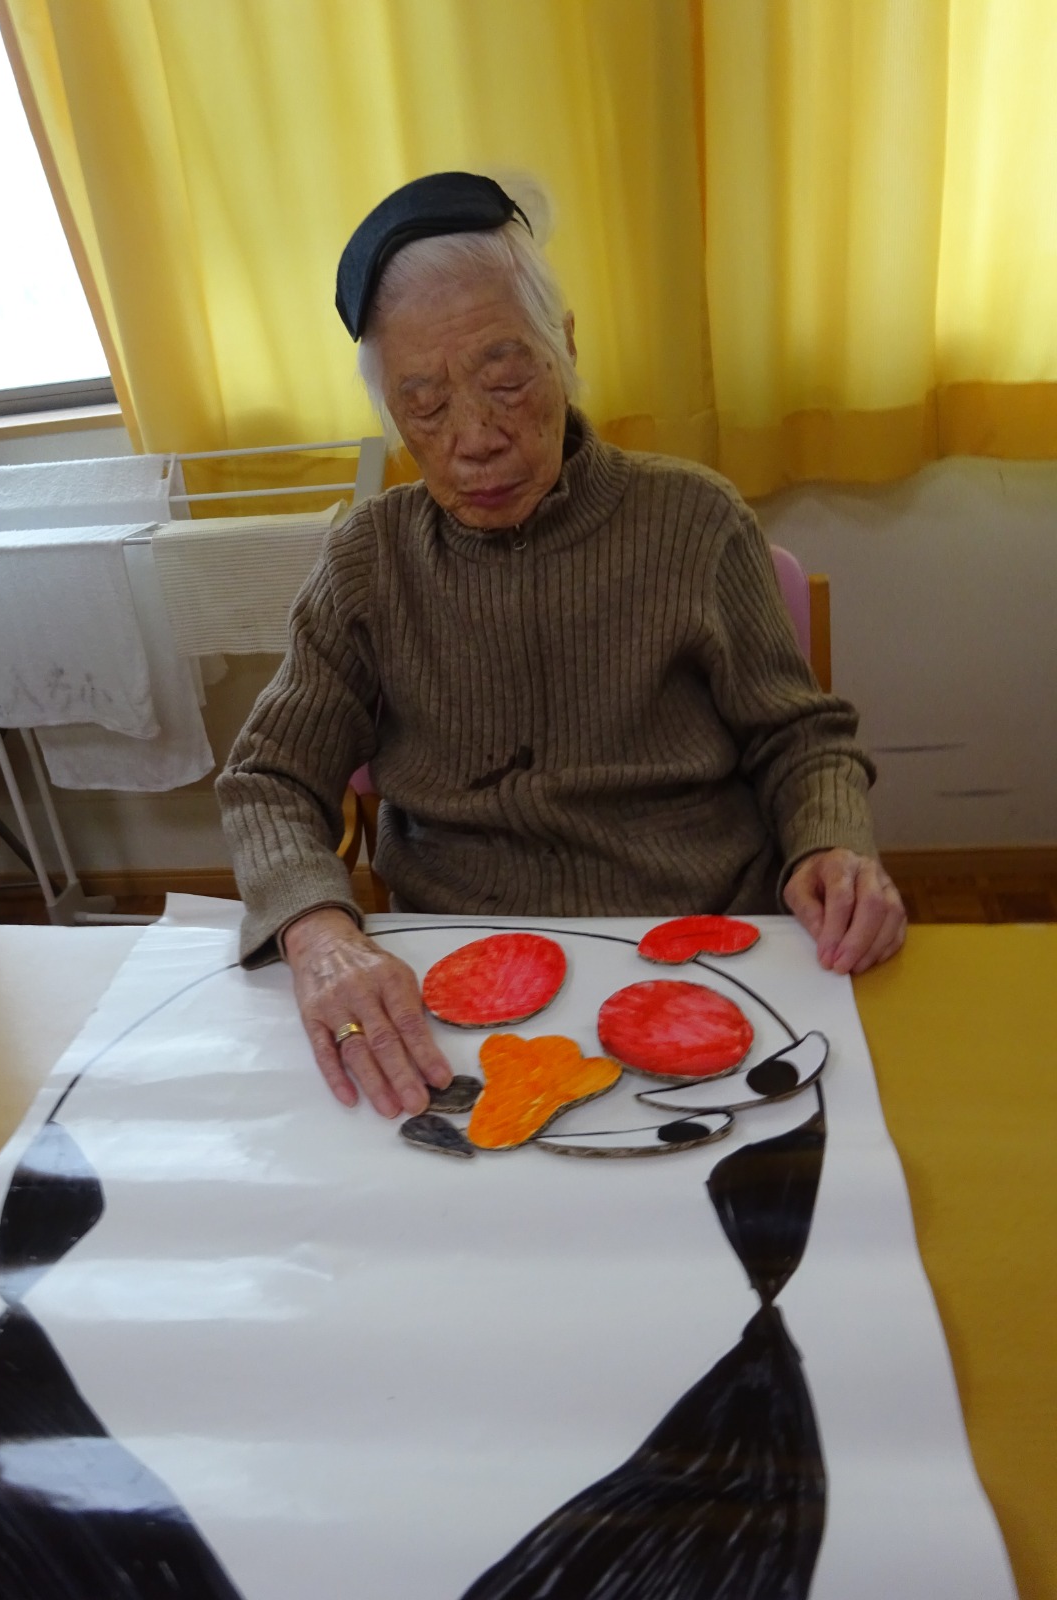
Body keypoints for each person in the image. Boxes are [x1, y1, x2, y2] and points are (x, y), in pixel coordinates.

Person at [216, 171, 906, 1122]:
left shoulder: (694, 518)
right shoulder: (369, 560)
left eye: (506, 382)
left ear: (565, 347)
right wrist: (319, 932)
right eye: (425, 405)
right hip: (458, 975)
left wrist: (831, 842)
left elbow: (799, 737)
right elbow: (268, 779)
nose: (474, 440)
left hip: (703, 950)